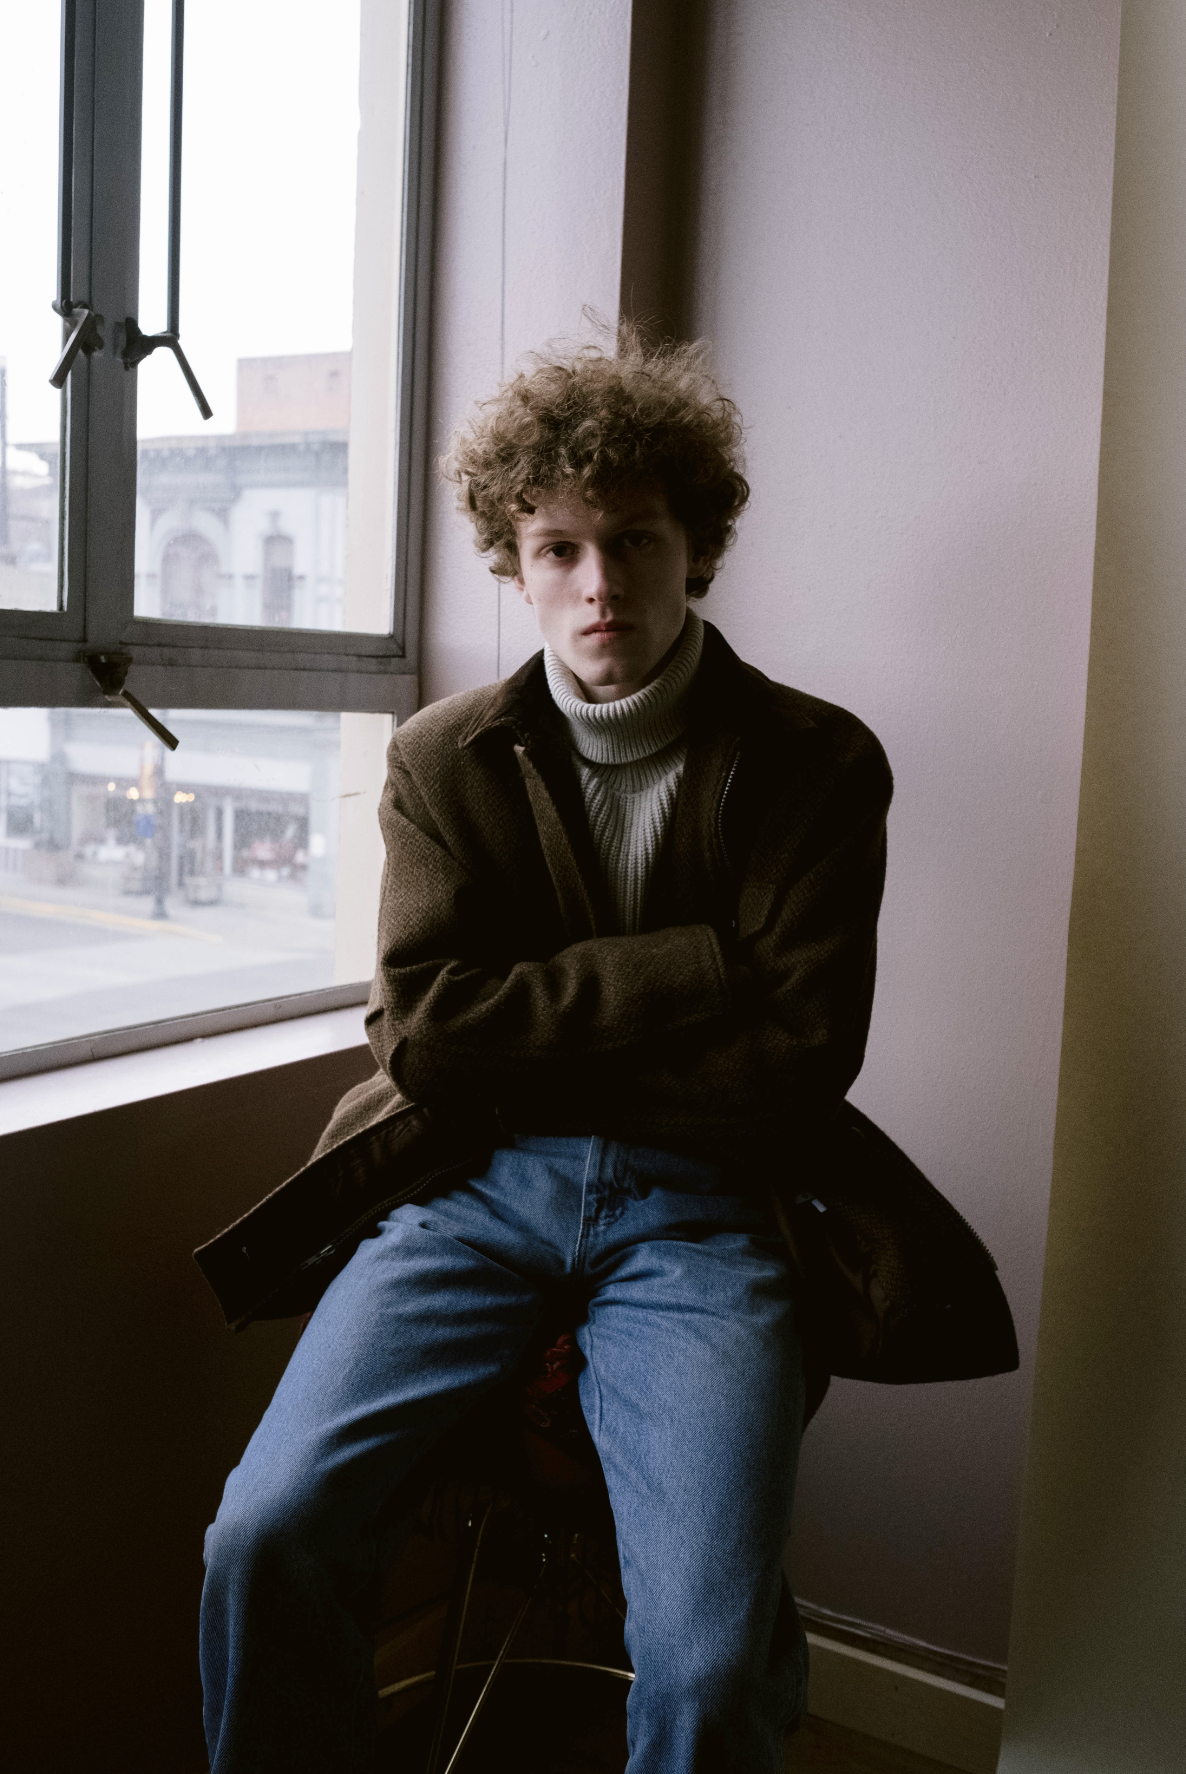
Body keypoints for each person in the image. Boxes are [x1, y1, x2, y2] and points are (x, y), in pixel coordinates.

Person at [198, 328, 893, 1772]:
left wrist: (543, 1033)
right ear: (510, 557)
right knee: (264, 1535)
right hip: (470, 1186)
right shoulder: (442, 758)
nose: (598, 585)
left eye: (633, 540)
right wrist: (696, 965)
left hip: (703, 1211)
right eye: (558, 546)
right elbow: (436, 1043)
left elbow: (797, 1060)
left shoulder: (818, 762)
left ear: (694, 545)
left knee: (704, 1662)